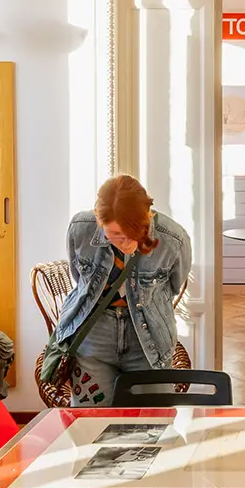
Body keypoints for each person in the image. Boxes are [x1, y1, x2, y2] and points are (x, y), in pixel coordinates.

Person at [55, 174, 191, 407]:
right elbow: (80, 280)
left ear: (147, 217)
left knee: (153, 420)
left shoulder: (173, 238)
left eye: (133, 233)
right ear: (99, 221)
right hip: (93, 335)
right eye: (116, 234)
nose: (125, 242)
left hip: (149, 339)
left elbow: (175, 285)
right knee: (91, 420)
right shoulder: (80, 229)